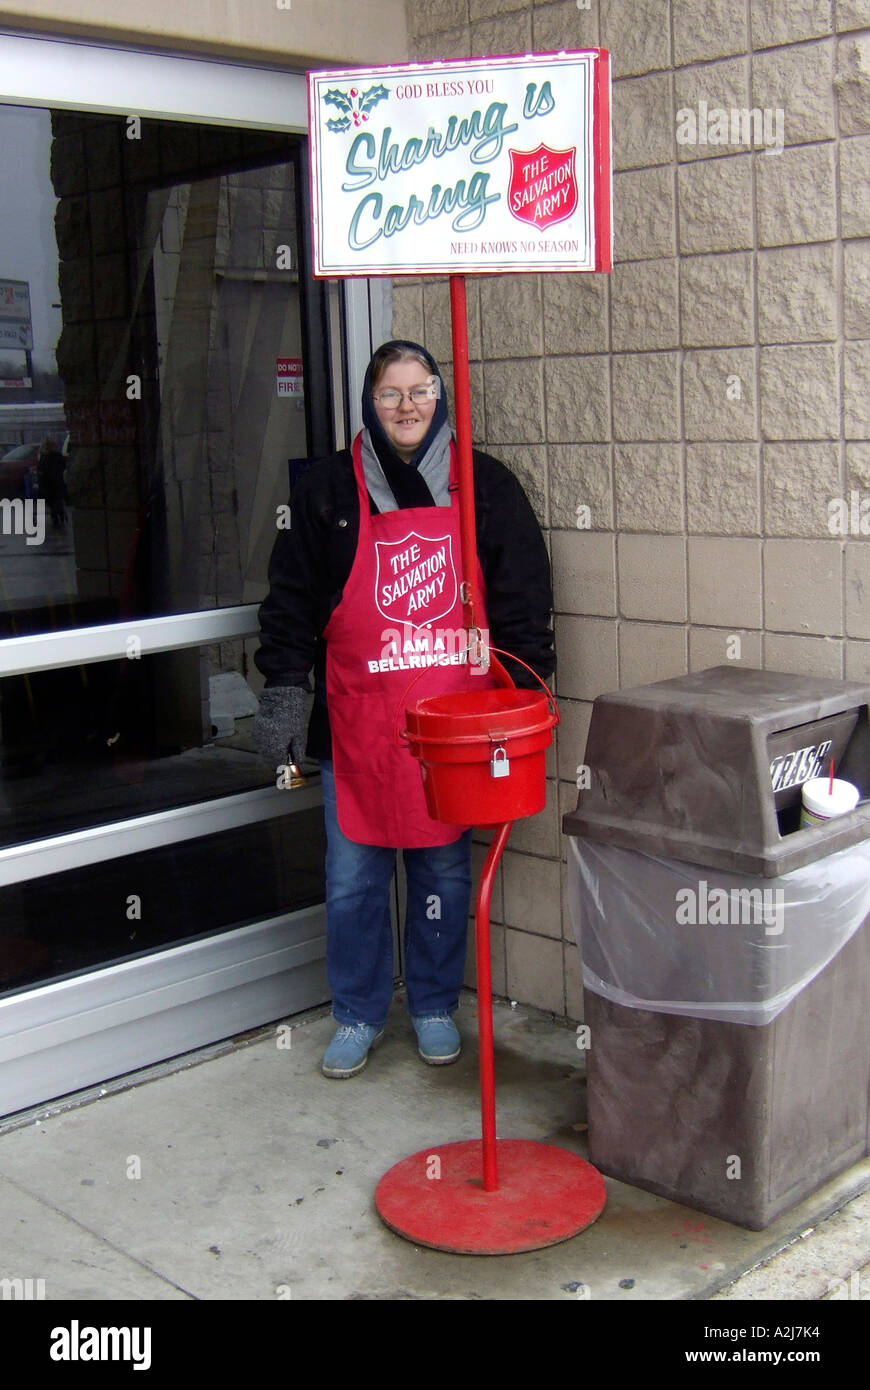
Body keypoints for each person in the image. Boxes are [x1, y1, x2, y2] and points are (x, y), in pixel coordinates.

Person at [253, 339, 553, 1078]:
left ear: (440, 396)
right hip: (358, 725)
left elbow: (521, 600)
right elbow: (289, 605)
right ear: (369, 402)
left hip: (451, 730)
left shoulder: (485, 487)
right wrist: (286, 695)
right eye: (391, 394)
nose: (408, 406)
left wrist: (530, 692)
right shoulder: (326, 490)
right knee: (352, 879)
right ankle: (356, 1013)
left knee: (443, 877)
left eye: (420, 390)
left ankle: (431, 1005)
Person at [37, 436, 67, 528]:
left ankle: (56, 517)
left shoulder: (45, 457)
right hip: (56, 482)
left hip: (49, 484)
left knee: (52, 501)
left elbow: (41, 470)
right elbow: (63, 467)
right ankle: (59, 514)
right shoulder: (57, 456)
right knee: (56, 500)